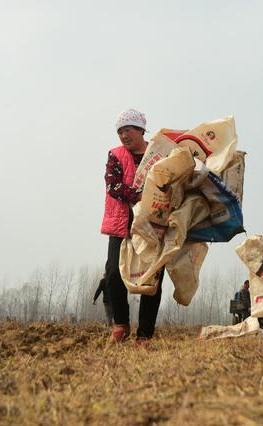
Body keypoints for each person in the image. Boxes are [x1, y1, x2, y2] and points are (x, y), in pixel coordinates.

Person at [101, 108, 165, 344]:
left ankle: (145, 334)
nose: (124, 136)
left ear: (140, 129)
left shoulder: (158, 154)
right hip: (122, 224)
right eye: (120, 132)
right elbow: (113, 186)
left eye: (127, 130)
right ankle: (121, 324)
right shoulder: (115, 155)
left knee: (152, 278)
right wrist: (139, 196)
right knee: (113, 275)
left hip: (154, 226)